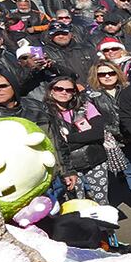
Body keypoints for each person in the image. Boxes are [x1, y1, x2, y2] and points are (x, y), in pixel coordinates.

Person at [42, 72, 112, 205]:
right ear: (51, 91)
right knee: (77, 202)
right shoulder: (45, 113)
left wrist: (68, 138)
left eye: (69, 90)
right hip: (69, 165)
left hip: (95, 159)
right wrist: (84, 138)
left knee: (101, 201)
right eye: (59, 89)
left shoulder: (86, 106)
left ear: (74, 93)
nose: (64, 92)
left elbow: (97, 133)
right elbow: (53, 142)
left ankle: (104, 225)